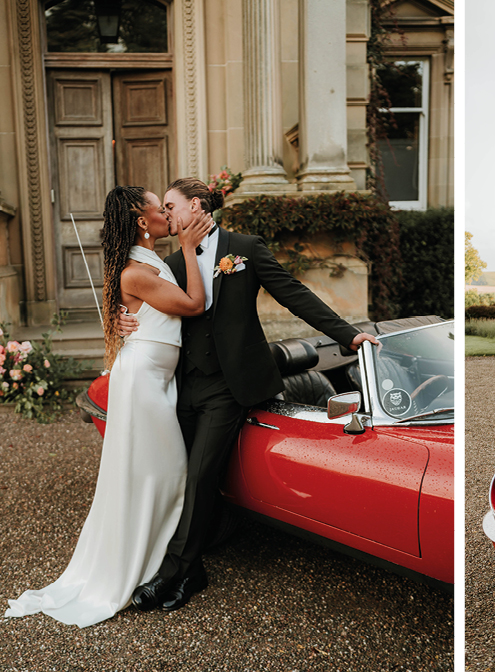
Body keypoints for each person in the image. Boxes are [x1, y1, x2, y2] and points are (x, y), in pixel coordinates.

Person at [125, 177, 379, 613]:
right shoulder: (170, 262)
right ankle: (193, 570)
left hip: (230, 384)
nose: (166, 214)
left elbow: (293, 293)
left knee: (200, 476)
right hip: (185, 383)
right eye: (162, 208)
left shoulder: (244, 248)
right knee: (184, 475)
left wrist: (348, 334)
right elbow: (150, 309)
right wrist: (125, 319)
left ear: (197, 206)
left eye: (171, 206)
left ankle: (172, 572)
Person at [4, 186, 211, 627]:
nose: (166, 213)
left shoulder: (151, 261)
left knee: (158, 473)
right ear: (142, 221)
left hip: (160, 378)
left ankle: (158, 558)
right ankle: (143, 563)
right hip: (142, 381)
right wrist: (190, 247)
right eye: (159, 208)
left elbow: (156, 308)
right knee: (163, 472)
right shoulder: (135, 271)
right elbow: (194, 304)